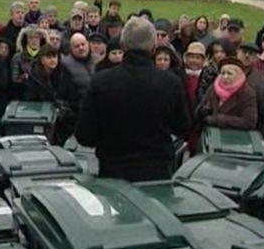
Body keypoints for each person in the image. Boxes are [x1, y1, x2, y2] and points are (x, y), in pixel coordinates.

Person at [76, 17, 190, 182]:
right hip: (156, 173)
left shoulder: (102, 82)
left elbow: (84, 135)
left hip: (114, 172)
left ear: (123, 46)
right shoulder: (170, 83)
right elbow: (182, 127)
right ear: (153, 47)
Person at [196, 57, 257, 130]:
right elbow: (200, 108)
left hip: (233, 135)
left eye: (229, 73)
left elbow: (249, 122)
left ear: (239, 75)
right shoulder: (213, 88)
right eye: (223, 73)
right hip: (210, 133)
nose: (225, 76)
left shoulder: (247, 93)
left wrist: (219, 120)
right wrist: (202, 111)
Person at [11, 25, 49, 97]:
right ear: (26, 39)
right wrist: (23, 78)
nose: (34, 40)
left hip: (43, 97)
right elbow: (14, 80)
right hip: (23, 96)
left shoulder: (46, 56)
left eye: (36, 38)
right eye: (31, 38)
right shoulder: (18, 57)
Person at [61, 33, 96, 112]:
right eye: (77, 46)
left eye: (83, 44)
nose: (81, 48)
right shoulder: (65, 65)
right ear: (71, 49)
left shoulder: (97, 60)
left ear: (88, 44)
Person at [196, 39, 235, 103]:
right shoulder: (208, 71)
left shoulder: (235, 70)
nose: (219, 55)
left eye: (222, 52)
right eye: (216, 52)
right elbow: (201, 91)